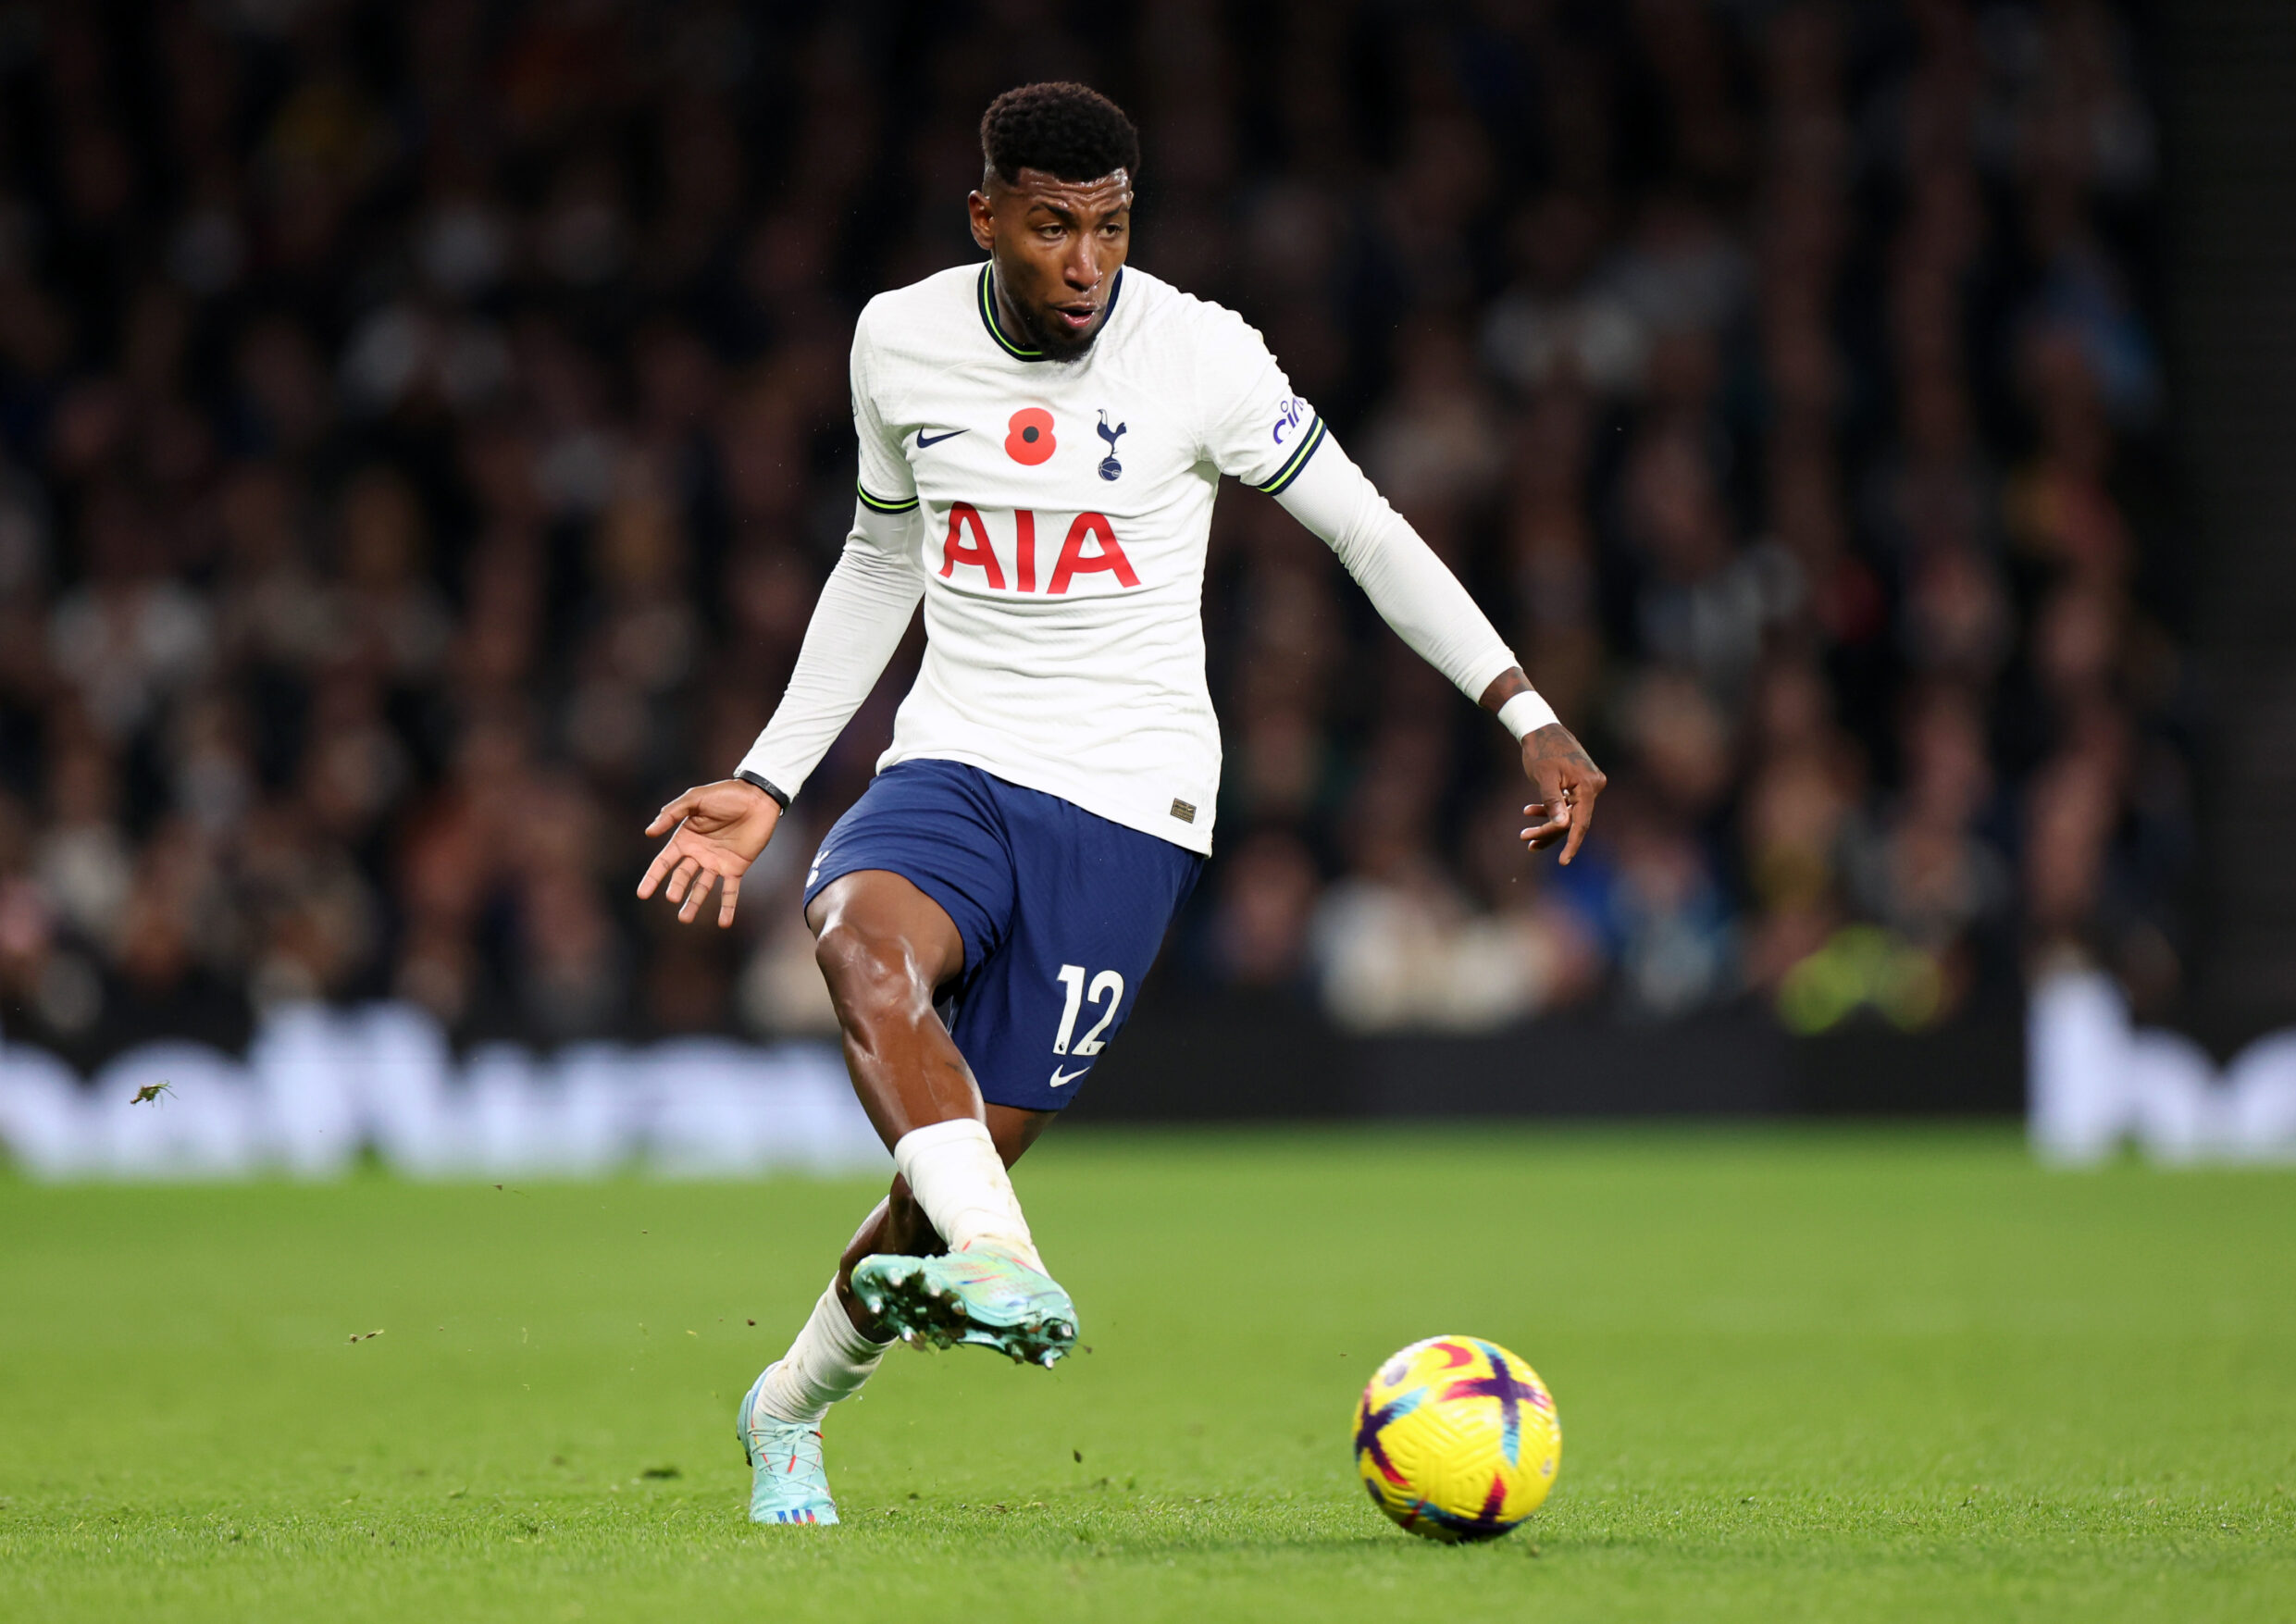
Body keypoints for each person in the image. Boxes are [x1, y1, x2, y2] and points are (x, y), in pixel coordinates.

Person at [637, 81, 1607, 1527]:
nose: (1085, 262)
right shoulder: (896, 341)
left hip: (1132, 809)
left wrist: (1522, 709)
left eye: (1109, 228)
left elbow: (1365, 526)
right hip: (953, 761)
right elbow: (879, 560)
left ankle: (788, 1405)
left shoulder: (1202, 353)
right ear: (985, 219)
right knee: (855, 937)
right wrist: (773, 776)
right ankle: (1009, 1264)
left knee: (945, 1177)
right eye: (1050, 229)